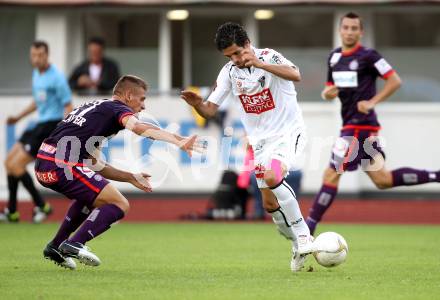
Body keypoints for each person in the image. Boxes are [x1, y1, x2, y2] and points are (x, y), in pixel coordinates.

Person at [181, 22, 314, 272]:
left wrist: (260, 64)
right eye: (229, 56)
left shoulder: (269, 57)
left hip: (287, 132)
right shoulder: (229, 72)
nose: (236, 59)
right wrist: (197, 103)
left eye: (238, 53)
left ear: (248, 44)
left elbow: (296, 74)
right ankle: (297, 244)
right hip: (260, 142)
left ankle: (304, 233)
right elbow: (210, 110)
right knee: (269, 205)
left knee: (274, 175)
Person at [35, 75, 199, 270]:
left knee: (92, 197)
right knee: (119, 204)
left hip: (44, 165)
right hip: (61, 164)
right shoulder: (116, 108)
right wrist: (177, 141)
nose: (144, 106)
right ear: (128, 96)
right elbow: (138, 128)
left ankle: (55, 246)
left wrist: (130, 177)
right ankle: (75, 243)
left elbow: (94, 165)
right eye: (142, 99)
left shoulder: (97, 111)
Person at [305, 12, 440, 235]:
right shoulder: (334, 58)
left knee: (331, 173)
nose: (349, 32)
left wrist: (372, 102)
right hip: (353, 124)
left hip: (360, 126)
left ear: (361, 32)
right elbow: (330, 89)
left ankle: (308, 228)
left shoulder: (369, 55)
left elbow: (395, 80)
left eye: (353, 28)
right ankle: (436, 175)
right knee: (382, 179)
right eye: (346, 27)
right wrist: (327, 94)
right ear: (340, 30)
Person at [0, 41, 73, 223]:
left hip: (50, 125)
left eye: (40, 55)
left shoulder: (57, 77)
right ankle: (13, 211)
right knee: (9, 162)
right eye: (34, 55)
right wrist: (18, 117)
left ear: (47, 55)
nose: (37, 59)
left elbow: (68, 104)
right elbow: (37, 102)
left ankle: (42, 206)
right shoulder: (36, 74)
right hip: (39, 123)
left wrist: (65, 131)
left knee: (16, 166)